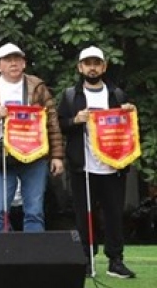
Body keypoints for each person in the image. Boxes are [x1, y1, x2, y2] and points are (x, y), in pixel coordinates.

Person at [58, 46, 137, 279]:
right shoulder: (71, 95)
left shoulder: (117, 95)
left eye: (96, 63)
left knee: (114, 215)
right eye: (87, 63)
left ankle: (116, 261)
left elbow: (127, 129)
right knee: (85, 216)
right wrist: (76, 119)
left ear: (104, 66)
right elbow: (60, 124)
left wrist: (130, 112)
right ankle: (87, 260)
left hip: (113, 166)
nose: (92, 67)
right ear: (80, 67)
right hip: (83, 165)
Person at [0, 43, 64, 233]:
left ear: (24, 63)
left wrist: (57, 155)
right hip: (1, 155)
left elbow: (52, 120)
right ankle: (0, 257)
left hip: (35, 154)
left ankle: (34, 259)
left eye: (17, 59)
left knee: (35, 210)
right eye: (8, 60)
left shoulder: (37, 86)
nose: (13, 63)